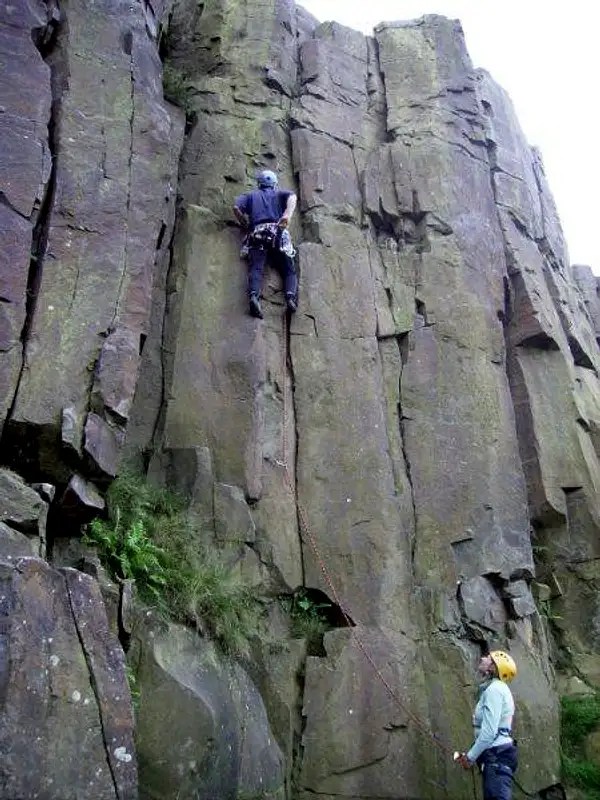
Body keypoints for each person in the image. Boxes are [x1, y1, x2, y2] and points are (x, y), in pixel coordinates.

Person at [233, 169, 298, 319]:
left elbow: (236, 208)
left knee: (256, 267)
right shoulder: (279, 193)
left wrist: (244, 222)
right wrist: (287, 215)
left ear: (259, 184)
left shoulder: (250, 196)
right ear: (274, 184)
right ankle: (290, 297)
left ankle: (254, 297)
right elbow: (292, 196)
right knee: (288, 268)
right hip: (277, 232)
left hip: (258, 232)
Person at [456, 650, 518, 800]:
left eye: (488, 658)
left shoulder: (495, 690)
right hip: (497, 756)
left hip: (496, 757)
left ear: (493, 668)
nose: (483, 658)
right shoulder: (496, 689)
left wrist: (470, 757)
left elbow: (489, 732)